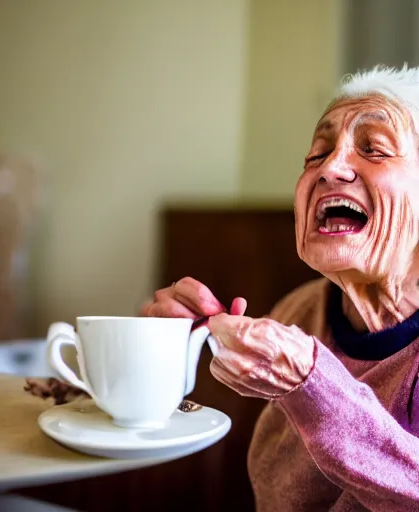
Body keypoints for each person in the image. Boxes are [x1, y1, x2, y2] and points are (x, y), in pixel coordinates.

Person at [141, 64, 419, 511]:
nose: (331, 168)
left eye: (375, 149)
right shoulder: (299, 312)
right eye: (316, 155)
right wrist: (157, 355)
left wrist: (313, 386)